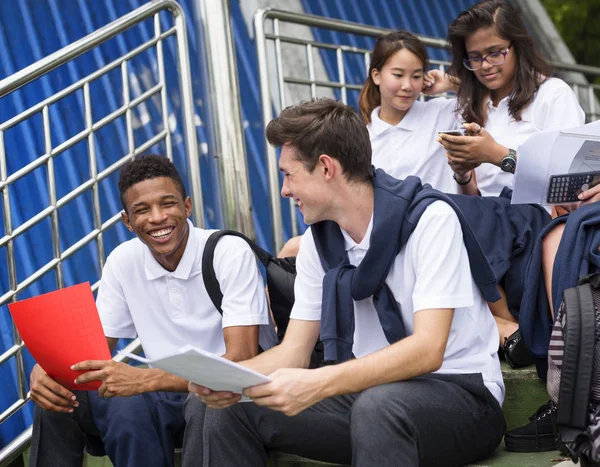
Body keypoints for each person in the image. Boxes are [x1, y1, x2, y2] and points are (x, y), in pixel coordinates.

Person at [190, 98, 506, 467]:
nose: (284, 191)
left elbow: (427, 349)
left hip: (460, 396)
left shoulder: (429, 221)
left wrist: (320, 382)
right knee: (226, 408)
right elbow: (292, 353)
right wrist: (225, 379)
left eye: (288, 175)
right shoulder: (317, 244)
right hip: (368, 395)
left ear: (326, 167)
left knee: (379, 406)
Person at [28, 155, 277, 467]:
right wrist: (50, 370)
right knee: (58, 394)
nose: (157, 218)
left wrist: (145, 381)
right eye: (142, 210)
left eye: (167, 204)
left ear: (187, 207)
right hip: (164, 399)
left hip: (226, 398)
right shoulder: (123, 261)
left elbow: (240, 359)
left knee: (132, 399)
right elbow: (91, 353)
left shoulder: (227, 252)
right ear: (127, 221)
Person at [432, 0, 585, 196]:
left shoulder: (553, 95)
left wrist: (497, 154)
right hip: (486, 217)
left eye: (495, 53)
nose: (485, 65)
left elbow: (571, 183)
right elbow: (473, 197)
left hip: (538, 218)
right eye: (475, 57)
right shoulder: (471, 108)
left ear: (518, 47)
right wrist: (463, 175)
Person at [358, 30, 460, 194]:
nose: (407, 86)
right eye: (398, 75)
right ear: (376, 76)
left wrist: (451, 83)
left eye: (416, 76)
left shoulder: (441, 112)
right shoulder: (363, 139)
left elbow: (489, 98)